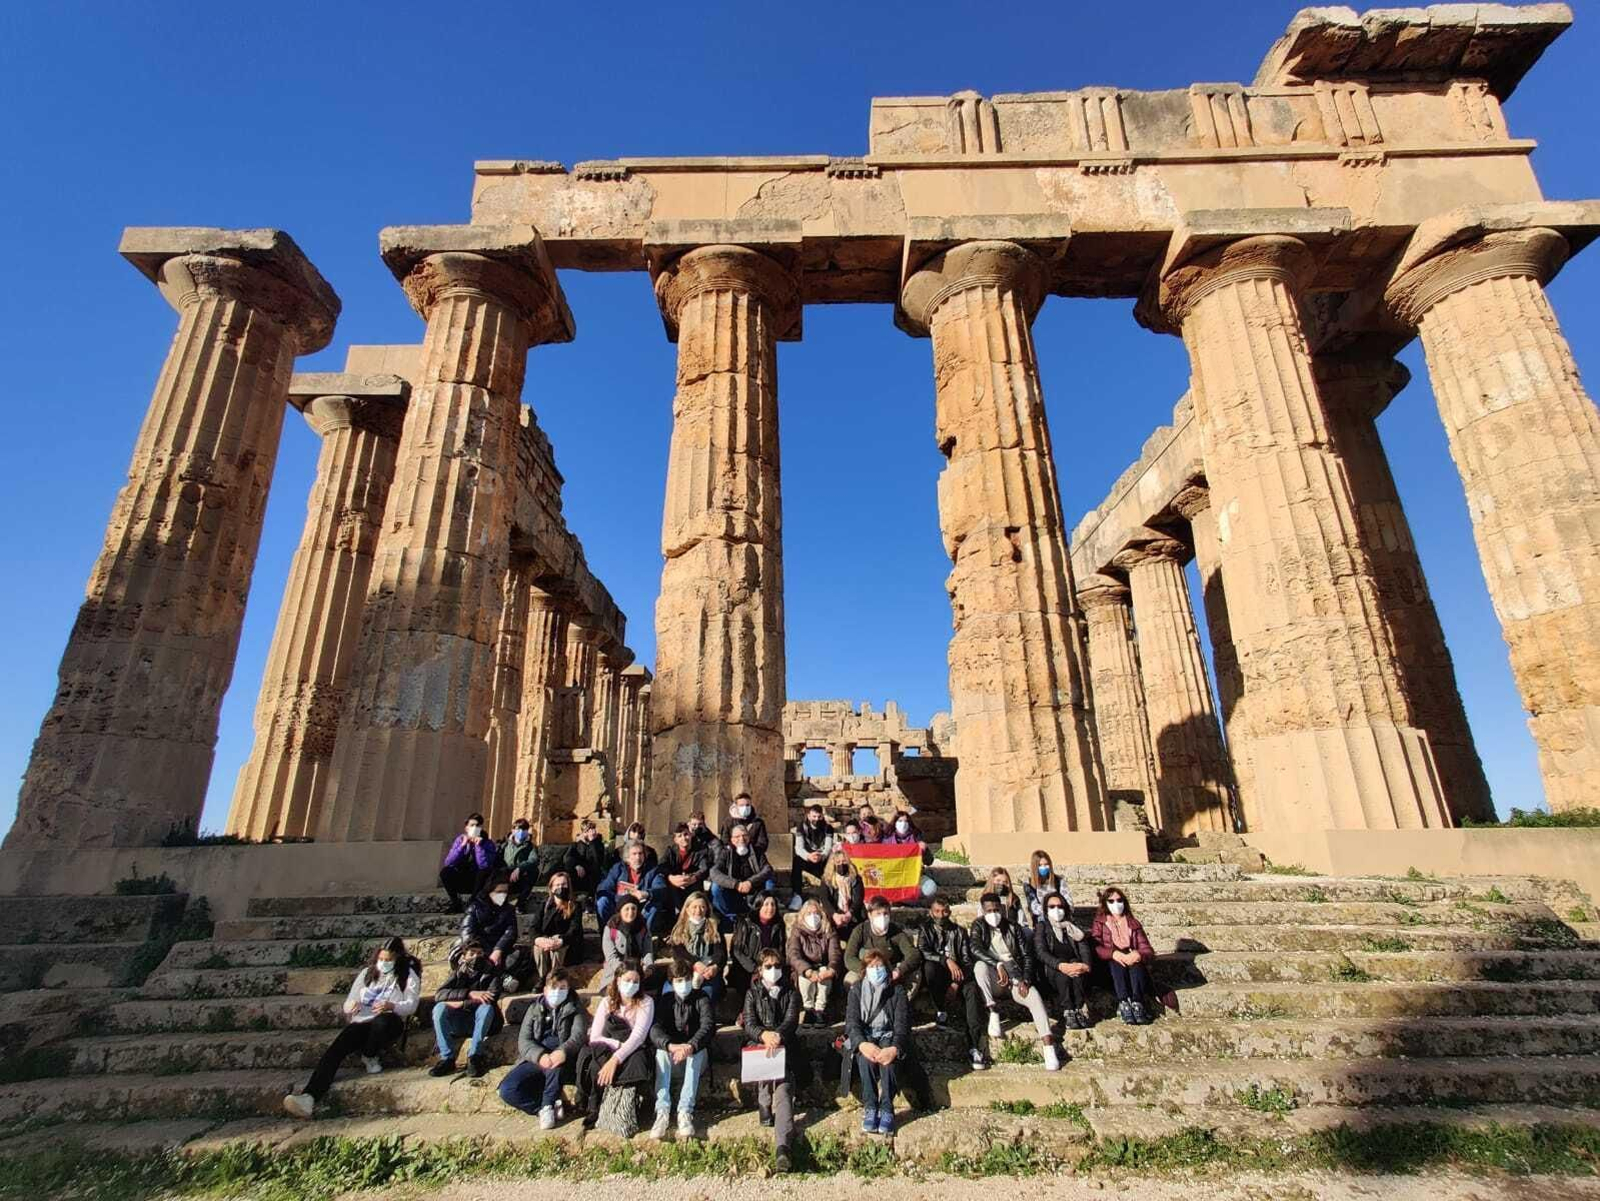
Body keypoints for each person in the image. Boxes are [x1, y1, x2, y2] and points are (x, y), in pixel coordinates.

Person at [282, 936, 420, 1118]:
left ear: (397, 959)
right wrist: (352, 1006)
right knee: (337, 1048)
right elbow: (349, 1002)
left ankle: (370, 1055)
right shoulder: (367, 974)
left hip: (389, 1021)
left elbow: (411, 1005)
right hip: (363, 1021)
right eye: (381, 959)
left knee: (382, 1022)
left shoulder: (407, 975)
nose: (384, 963)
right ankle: (310, 1096)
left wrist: (391, 1006)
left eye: (388, 960)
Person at [968, 891, 1061, 1070]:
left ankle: (1048, 1046)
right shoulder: (978, 925)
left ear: (1002, 909)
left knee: (1034, 997)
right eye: (989, 911)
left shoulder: (1013, 927)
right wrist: (997, 964)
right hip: (994, 977)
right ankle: (992, 1010)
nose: (993, 914)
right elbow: (975, 948)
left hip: (1015, 977)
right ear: (983, 911)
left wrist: (1026, 979)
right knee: (979, 967)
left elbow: (1027, 956)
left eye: (996, 910)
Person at [497, 967, 586, 1129]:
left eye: (562, 988)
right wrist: (539, 1056)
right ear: (545, 990)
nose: (558, 992)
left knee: (555, 1066)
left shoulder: (575, 1008)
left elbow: (578, 1035)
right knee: (507, 1089)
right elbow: (524, 1040)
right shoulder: (534, 1009)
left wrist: (563, 1051)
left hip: (562, 1057)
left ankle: (547, 1107)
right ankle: (540, 1108)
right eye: (554, 987)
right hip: (537, 1057)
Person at [572, 960, 656, 1130]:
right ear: (618, 980)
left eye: (635, 981)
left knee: (638, 1062)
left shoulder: (646, 1002)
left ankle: (628, 1105)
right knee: (592, 1058)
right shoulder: (607, 1002)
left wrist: (616, 1059)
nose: (631, 985)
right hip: (610, 1044)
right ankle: (594, 1105)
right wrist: (616, 1044)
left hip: (633, 1047)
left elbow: (638, 1037)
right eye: (627, 980)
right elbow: (595, 1036)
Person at [740, 947, 800, 1172]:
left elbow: (791, 1020)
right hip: (760, 1044)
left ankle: (783, 1147)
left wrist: (777, 1036)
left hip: (785, 1046)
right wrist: (763, 1035)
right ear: (760, 969)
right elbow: (749, 1022)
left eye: (777, 966)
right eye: (768, 966)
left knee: (784, 1091)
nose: (773, 970)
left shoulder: (791, 992)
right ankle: (764, 1102)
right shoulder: (752, 993)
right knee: (764, 1062)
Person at [648, 953, 716, 1139]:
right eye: (679, 980)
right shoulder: (666, 1001)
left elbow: (708, 1026)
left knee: (697, 1052)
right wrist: (670, 1046)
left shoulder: (701, 997)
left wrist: (690, 1046)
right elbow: (655, 1029)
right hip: (673, 1058)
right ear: (672, 982)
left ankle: (685, 1110)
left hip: (695, 1058)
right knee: (661, 1053)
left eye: (686, 979)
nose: (683, 984)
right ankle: (662, 1111)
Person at [916, 896, 987, 1070]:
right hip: (938, 973)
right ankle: (941, 1010)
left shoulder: (959, 932)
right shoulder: (925, 929)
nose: (941, 915)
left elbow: (967, 961)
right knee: (929, 968)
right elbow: (923, 951)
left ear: (949, 912)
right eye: (937, 911)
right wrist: (945, 960)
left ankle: (975, 1046)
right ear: (931, 912)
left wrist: (956, 983)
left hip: (959, 976)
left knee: (972, 991)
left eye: (944, 911)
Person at [845, 947, 910, 1136]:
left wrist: (895, 1048)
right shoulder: (856, 990)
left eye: (879, 966)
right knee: (865, 1060)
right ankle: (871, 1107)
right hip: (866, 1035)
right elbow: (852, 1022)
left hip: (888, 1034)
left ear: (886, 968)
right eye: (872, 966)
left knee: (888, 1062)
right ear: (865, 969)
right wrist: (862, 1043)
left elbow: (902, 1024)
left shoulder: (897, 991)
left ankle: (887, 1108)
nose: (876, 970)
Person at [429, 939, 504, 1078]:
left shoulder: (492, 972)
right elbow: (439, 995)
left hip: (486, 1022)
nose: (476, 956)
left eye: (479, 953)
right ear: (464, 957)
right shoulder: (458, 972)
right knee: (439, 1008)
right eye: (472, 953)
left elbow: (491, 997)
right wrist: (469, 994)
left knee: (486, 1007)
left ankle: (475, 1056)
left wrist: (462, 1003)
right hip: (461, 1020)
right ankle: (447, 1058)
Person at [1092, 885, 1156, 1025]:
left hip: (1131, 959)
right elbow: (1095, 947)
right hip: (1110, 965)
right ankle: (1124, 1002)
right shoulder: (1100, 923)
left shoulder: (1133, 923)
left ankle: (1137, 1002)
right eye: (1111, 901)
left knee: (1136, 964)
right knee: (1116, 963)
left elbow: (1147, 949)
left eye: (1119, 900)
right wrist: (1113, 953)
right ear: (1105, 903)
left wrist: (1138, 954)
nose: (1116, 904)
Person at [1035, 893, 1096, 1029]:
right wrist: (1060, 965)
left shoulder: (1072, 926)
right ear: (1046, 909)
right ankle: (1068, 1011)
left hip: (1073, 963)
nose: (1056, 910)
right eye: (1052, 907)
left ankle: (1079, 1009)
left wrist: (1085, 964)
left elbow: (1083, 947)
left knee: (1077, 972)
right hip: (1053, 968)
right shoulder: (1042, 926)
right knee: (1063, 975)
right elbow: (1041, 952)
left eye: (1060, 906)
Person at [455, 871, 525, 990]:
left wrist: (498, 950)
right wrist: (487, 952)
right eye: (499, 891)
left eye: (505, 892)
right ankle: (500, 977)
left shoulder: (508, 909)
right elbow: (467, 933)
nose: (502, 895)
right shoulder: (475, 908)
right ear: (489, 891)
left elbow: (511, 932)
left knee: (519, 955)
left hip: (499, 949)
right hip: (478, 948)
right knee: (470, 956)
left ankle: (497, 978)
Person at [661, 891, 726, 1005]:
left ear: (707, 909)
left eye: (702, 907)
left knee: (707, 994)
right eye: (694, 907)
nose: (698, 910)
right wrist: (695, 963)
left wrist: (714, 967)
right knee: (668, 992)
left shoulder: (715, 927)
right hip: (685, 970)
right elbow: (678, 952)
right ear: (687, 909)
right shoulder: (680, 927)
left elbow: (720, 952)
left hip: (707, 970)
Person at [844, 895, 922, 986]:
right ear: (870, 915)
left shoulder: (896, 931)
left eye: (885, 914)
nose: (882, 917)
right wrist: (867, 970)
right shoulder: (860, 930)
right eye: (878, 914)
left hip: (891, 972)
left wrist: (899, 970)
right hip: (867, 970)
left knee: (916, 976)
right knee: (850, 979)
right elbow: (849, 958)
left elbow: (914, 954)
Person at [787, 897, 843, 1022]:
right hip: (805, 968)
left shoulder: (829, 930)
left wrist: (831, 969)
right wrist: (807, 970)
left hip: (823, 966)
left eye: (816, 913)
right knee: (804, 977)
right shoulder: (797, 931)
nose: (813, 916)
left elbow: (835, 953)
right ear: (803, 915)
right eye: (809, 913)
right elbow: (794, 954)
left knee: (825, 975)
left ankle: (820, 1010)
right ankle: (808, 1009)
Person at [708, 822, 775, 924]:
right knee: (715, 887)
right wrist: (736, 884)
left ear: (749, 837)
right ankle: (730, 918)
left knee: (769, 881)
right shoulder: (725, 853)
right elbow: (714, 872)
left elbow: (767, 869)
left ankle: (763, 913)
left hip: (754, 890)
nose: (742, 839)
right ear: (732, 840)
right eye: (737, 836)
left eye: (744, 835)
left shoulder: (757, 851)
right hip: (732, 891)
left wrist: (750, 882)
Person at [527, 870, 585, 982]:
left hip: (566, 944)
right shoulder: (544, 905)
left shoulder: (575, 906)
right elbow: (534, 927)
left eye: (564, 884)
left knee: (558, 947)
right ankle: (542, 978)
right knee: (538, 947)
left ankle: (556, 978)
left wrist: (560, 940)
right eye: (557, 885)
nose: (561, 888)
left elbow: (575, 929)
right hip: (546, 942)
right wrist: (539, 939)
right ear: (552, 888)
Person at [597, 841, 665, 931]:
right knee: (602, 901)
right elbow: (605, 887)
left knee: (654, 906)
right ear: (627, 857)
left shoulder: (652, 870)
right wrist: (619, 898)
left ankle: (643, 935)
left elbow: (661, 888)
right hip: (619, 906)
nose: (638, 857)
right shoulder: (618, 868)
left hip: (640, 908)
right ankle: (609, 932)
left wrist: (646, 894)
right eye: (634, 854)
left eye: (640, 853)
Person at [730, 892, 787, 999]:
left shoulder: (778, 924)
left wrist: (772, 967)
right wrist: (755, 969)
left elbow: (781, 949)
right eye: (766, 904)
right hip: (748, 969)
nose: (770, 908)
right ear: (758, 905)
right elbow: (737, 950)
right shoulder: (745, 922)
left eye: (773, 904)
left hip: (771, 967)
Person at [440, 813, 497, 912]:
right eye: (472, 825)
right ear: (466, 828)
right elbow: (448, 862)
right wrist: (462, 846)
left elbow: (484, 865)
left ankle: (473, 902)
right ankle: (456, 903)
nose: (475, 828)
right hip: (463, 877)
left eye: (477, 825)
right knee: (445, 872)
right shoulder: (460, 840)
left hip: (479, 881)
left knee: (484, 872)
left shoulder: (488, 843)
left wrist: (479, 846)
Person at [658, 823, 711, 918]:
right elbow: (661, 867)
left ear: (690, 835)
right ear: (675, 840)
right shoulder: (670, 851)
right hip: (675, 883)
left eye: (686, 834)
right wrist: (671, 878)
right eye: (680, 836)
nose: (684, 838)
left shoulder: (700, 850)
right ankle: (678, 916)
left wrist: (693, 878)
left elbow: (704, 868)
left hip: (693, 882)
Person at [600, 895, 655, 986]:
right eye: (627, 909)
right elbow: (611, 957)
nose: (630, 912)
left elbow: (647, 951)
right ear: (620, 911)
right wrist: (624, 971)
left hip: (637, 968)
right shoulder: (611, 928)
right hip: (616, 970)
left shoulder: (643, 927)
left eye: (633, 909)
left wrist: (648, 967)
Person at [789, 804, 835, 909]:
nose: (816, 819)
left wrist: (821, 856)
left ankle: (828, 896)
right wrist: (809, 856)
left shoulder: (828, 828)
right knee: (797, 861)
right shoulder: (802, 827)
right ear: (809, 816)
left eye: (819, 817)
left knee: (832, 861)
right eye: (814, 816)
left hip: (821, 859)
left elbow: (828, 847)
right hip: (808, 858)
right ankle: (797, 896)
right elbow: (799, 848)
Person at [814, 848, 865, 935]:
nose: (841, 864)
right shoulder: (827, 879)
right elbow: (824, 899)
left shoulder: (856, 878)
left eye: (844, 861)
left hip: (852, 912)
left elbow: (858, 899)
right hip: (834, 913)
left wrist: (849, 914)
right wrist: (834, 915)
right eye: (838, 862)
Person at [562, 818, 613, 901]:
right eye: (588, 830)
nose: (591, 832)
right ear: (584, 832)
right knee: (568, 869)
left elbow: (597, 861)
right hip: (579, 873)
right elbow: (567, 858)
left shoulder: (598, 844)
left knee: (596, 872)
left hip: (593, 874)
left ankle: (591, 898)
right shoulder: (576, 844)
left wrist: (592, 842)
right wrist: (576, 865)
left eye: (593, 829)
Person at [1023, 850, 1070, 925]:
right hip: (1042, 922)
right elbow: (1034, 907)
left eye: (1046, 864)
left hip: (1061, 918)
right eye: (1040, 865)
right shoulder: (1028, 884)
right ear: (1035, 867)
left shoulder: (1059, 880)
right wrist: (1050, 910)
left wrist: (1058, 911)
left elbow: (1069, 902)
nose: (1043, 867)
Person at [501, 818, 539, 907]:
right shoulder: (505, 845)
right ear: (513, 830)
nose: (521, 832)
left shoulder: (530, 847)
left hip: (521, 875)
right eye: (518, 829)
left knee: (534, 871)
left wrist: (519, 868)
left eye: (524, 829)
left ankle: (520, 903)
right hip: (505, 874)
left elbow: (533, 859)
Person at [718, 793, 769, 857]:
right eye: (741, 805)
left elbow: (762, 843)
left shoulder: (758, 823)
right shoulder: (728, 822)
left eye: (747, 805)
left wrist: (750, 850)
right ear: (736, 806)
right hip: (733, 856)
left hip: (753, 856)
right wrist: (735, 849)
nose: (745, 808)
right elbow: (724, 841)